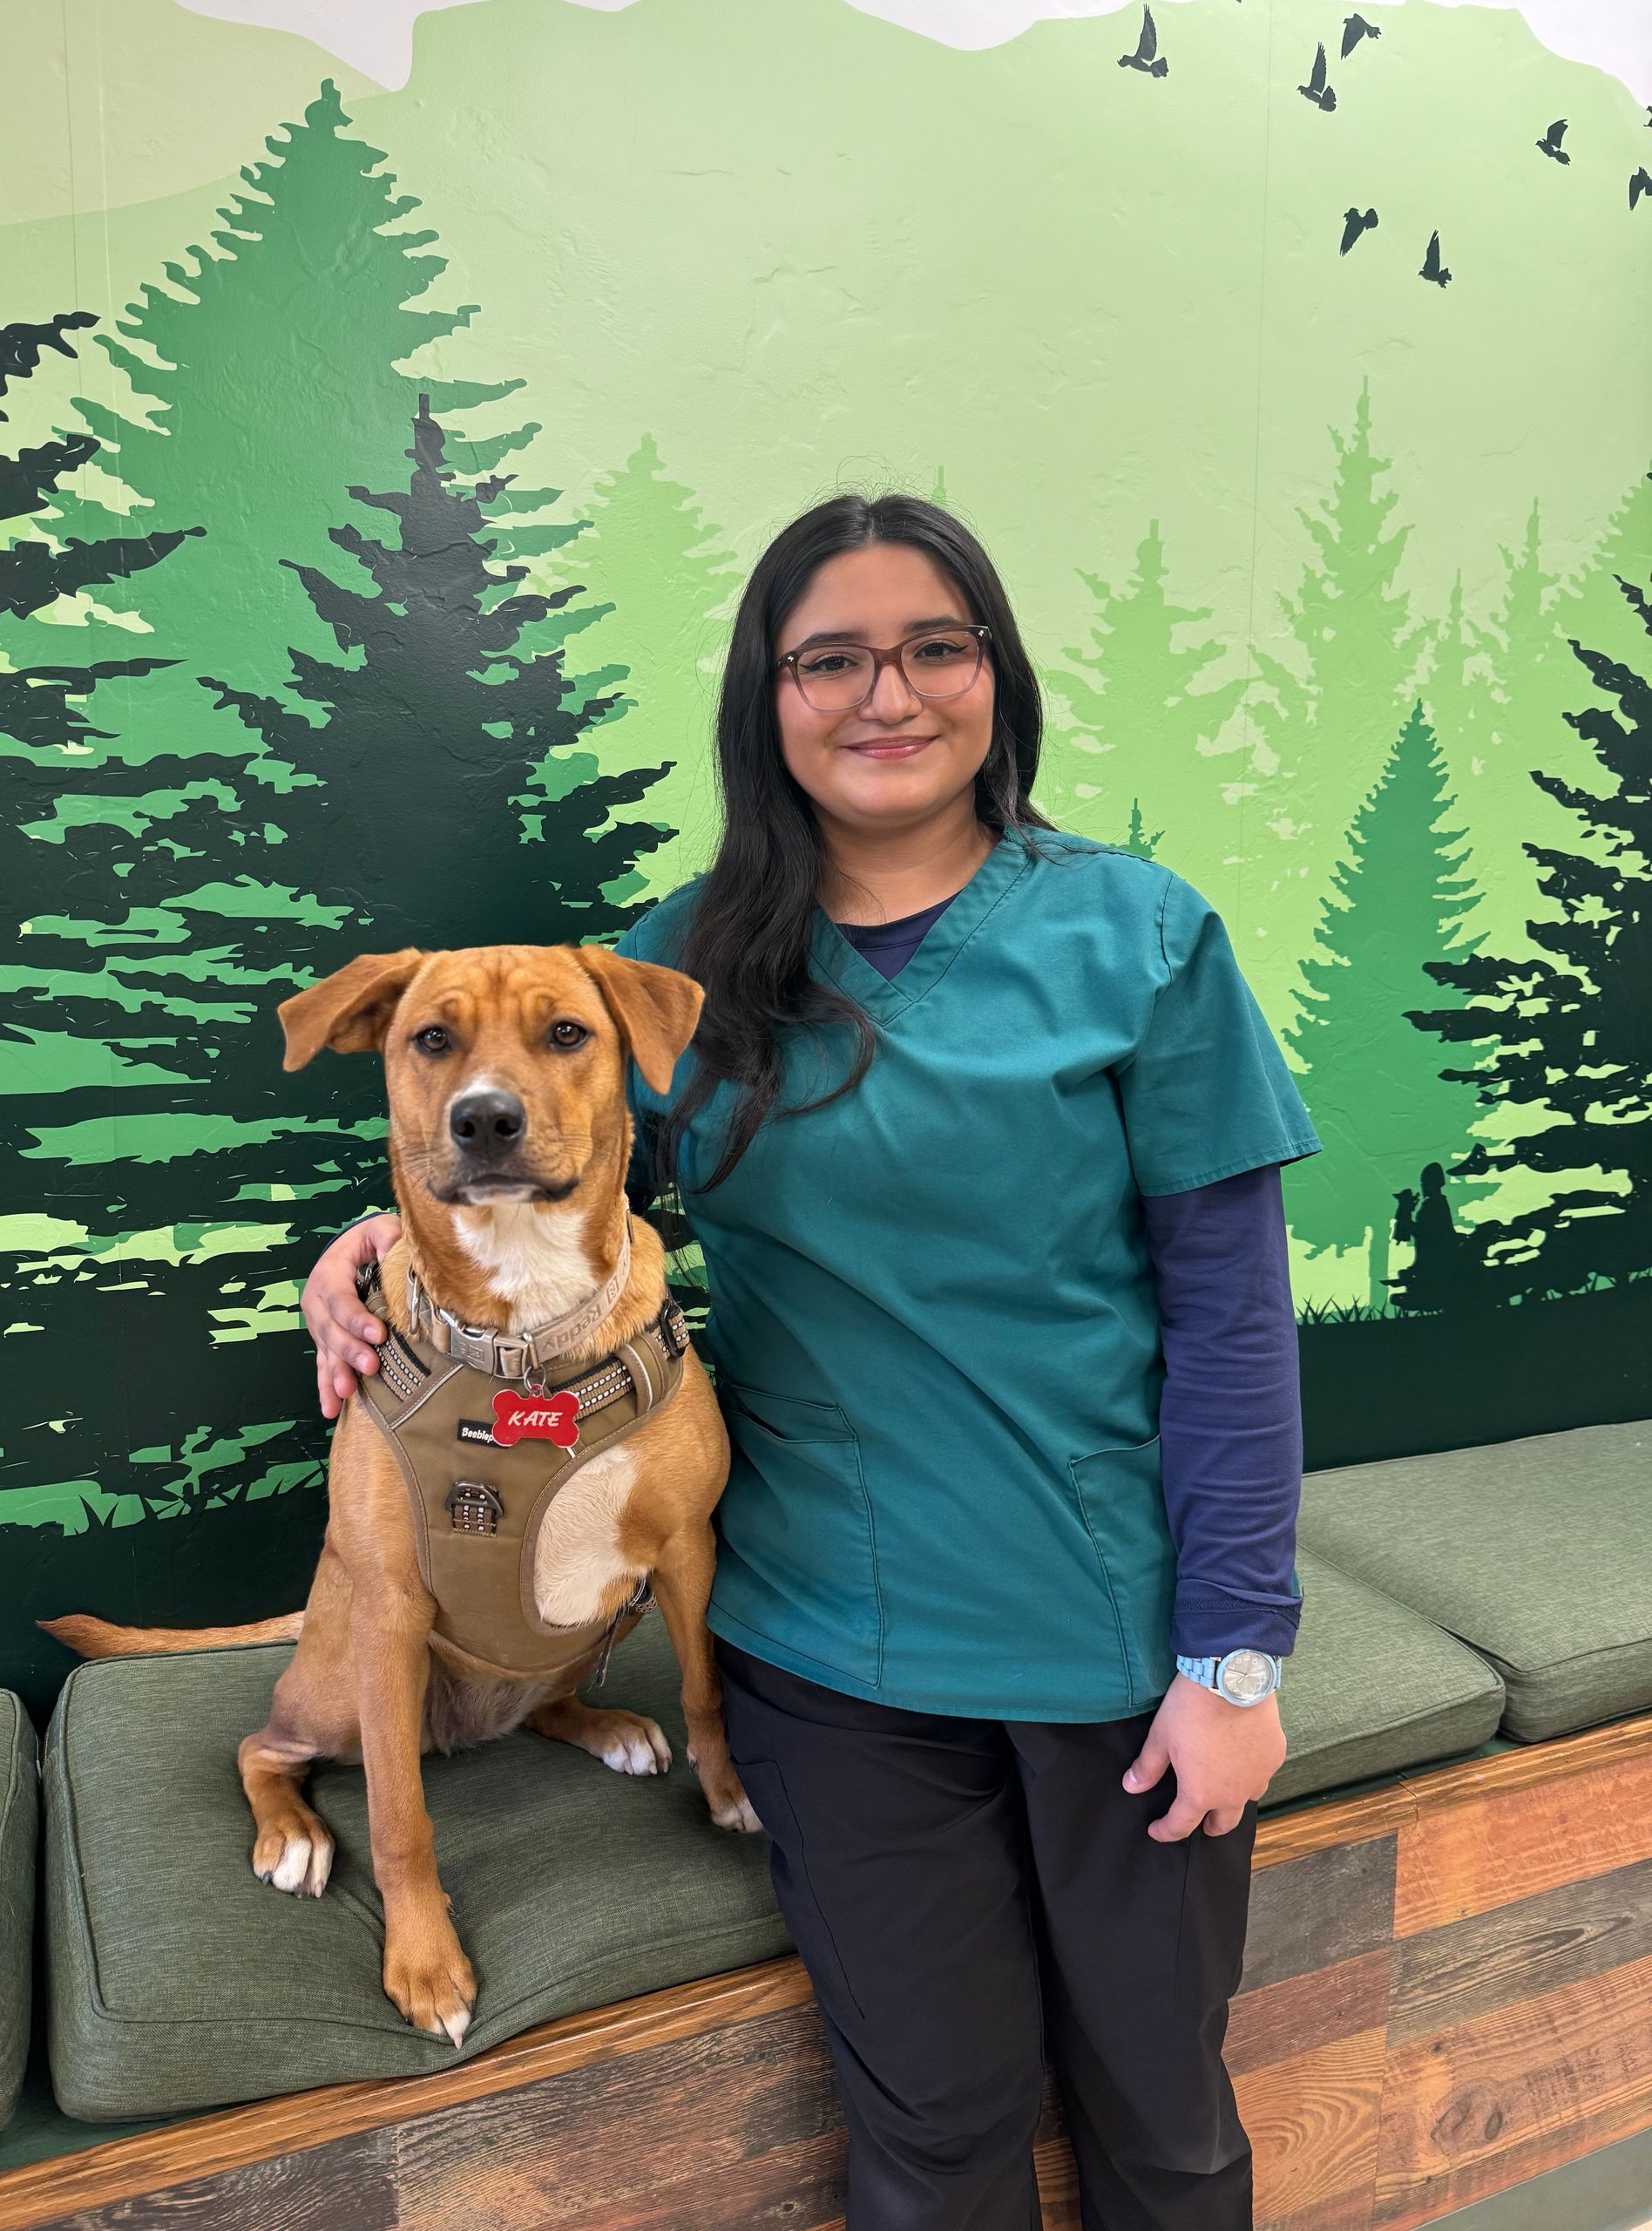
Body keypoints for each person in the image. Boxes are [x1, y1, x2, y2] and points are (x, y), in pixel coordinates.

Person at [303, 493, 1323, 2230]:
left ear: (995, 672)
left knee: (1166, 2121)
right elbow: (513, 1135)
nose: (888, 692)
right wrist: (364, 1250)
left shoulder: (1141, 937)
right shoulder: (674, 962)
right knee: (939, 2136)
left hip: (1107, 1642)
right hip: (827, 1659)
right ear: (765, 699)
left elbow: (1234, 1314)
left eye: (936, 645)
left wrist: (1234, 1656)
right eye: (827, 657)